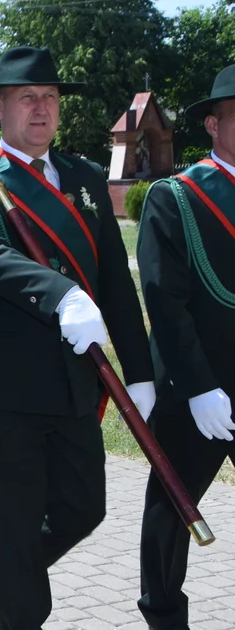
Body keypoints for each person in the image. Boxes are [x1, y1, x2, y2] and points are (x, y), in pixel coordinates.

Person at [0, 46, 155, 630]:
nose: (41, 109)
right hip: (3, 386)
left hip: (73, 378)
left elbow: (113, 278)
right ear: (0, 108)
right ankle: (17, 608)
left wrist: (142, 371)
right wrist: (59, 293)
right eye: (27, 98)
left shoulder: (83, 177)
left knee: (85, 508)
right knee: (17, 520)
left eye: (51, 99)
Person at [136, 64, 235, 630]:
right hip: (195, 389)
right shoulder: (177, 196)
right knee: (172, 512)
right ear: (214, 125)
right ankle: (163, 615)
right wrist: (201, 388)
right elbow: (164, 301)